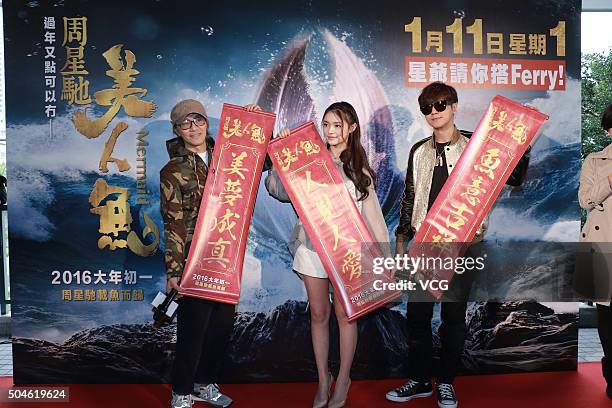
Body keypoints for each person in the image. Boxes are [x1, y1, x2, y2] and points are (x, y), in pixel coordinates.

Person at [385, 82, 530, 408]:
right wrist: (400, 250)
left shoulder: (475, 148)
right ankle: (421, 380)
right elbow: (407, 202)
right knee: (417, 317)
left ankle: (446, 382)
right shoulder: (418, 151)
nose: (433, 112)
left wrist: (523, 146)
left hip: (465, 245)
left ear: (454, 106)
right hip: (425, 245)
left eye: (440, 105)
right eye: (427, 107)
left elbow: (513, 178)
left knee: (453, 316)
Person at [265, 101, 389, 408]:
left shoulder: (359, 169)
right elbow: (278, 191)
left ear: (352, 128)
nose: (331, 131)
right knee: (318, 314)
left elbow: (374, 220)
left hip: (347, 254)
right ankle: (323, 378)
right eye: (326, 125)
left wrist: (382, 262)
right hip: (312, 249)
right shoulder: (309, 160)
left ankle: (344, 377)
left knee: (346, 315)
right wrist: (280, 155)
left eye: (337, 125)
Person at [161, 99, 260, 408]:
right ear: (177, 130)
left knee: (220, 329)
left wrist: (252, 127)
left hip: (226, 257)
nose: (193, 127)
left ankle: (204, 384)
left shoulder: (229, 155)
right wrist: (173, 272)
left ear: (206, 122)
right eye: (185, 123)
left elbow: (261, 162)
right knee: (193, 331)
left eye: (198, 120)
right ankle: (181, 391)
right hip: (194, 260)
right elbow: (172, 223)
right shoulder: (172, 171)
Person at [578, 103, 612, 399]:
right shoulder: (595, 160)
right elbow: (585, 200)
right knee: (607, 315)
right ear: (607, 130)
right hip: (604, 247)